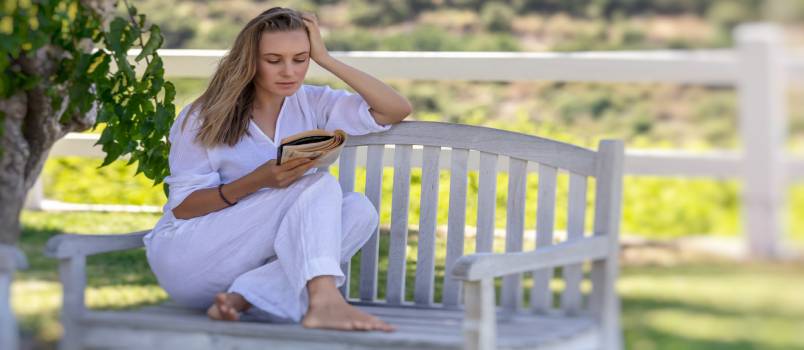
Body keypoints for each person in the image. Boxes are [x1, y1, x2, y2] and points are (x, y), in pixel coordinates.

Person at [142, 7, 411, 332]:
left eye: (300, 59)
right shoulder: (202, 117)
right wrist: (259, 180)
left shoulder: (312, 102)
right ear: (250, 61)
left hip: (244, 269)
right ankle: (324, 300)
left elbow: (396, 109)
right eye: (274, 60)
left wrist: (325, 57)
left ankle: (246, 296)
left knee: (360, 211)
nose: (289, 72)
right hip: (192, 258)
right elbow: (183, 208)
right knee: (317, 183)